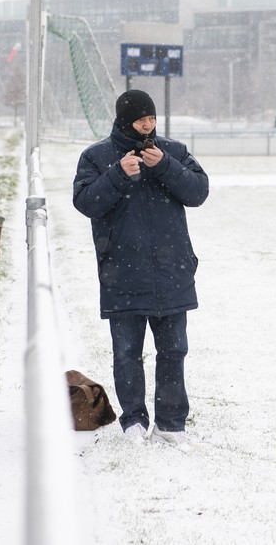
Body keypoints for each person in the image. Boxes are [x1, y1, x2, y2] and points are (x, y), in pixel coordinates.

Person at [72, 89, 208, 449]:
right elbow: (86, 203)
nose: (148, 125)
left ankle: (171, 424)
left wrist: (164, 165)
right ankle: (133, 421)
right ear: (123, 120)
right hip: (122, 273)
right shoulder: (96, 157)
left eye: (151, 119)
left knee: (174, 350)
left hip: (173, 271)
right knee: (127, 353)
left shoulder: (173, 151)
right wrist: (118, 175)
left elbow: (198, 192)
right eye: (140, 120)